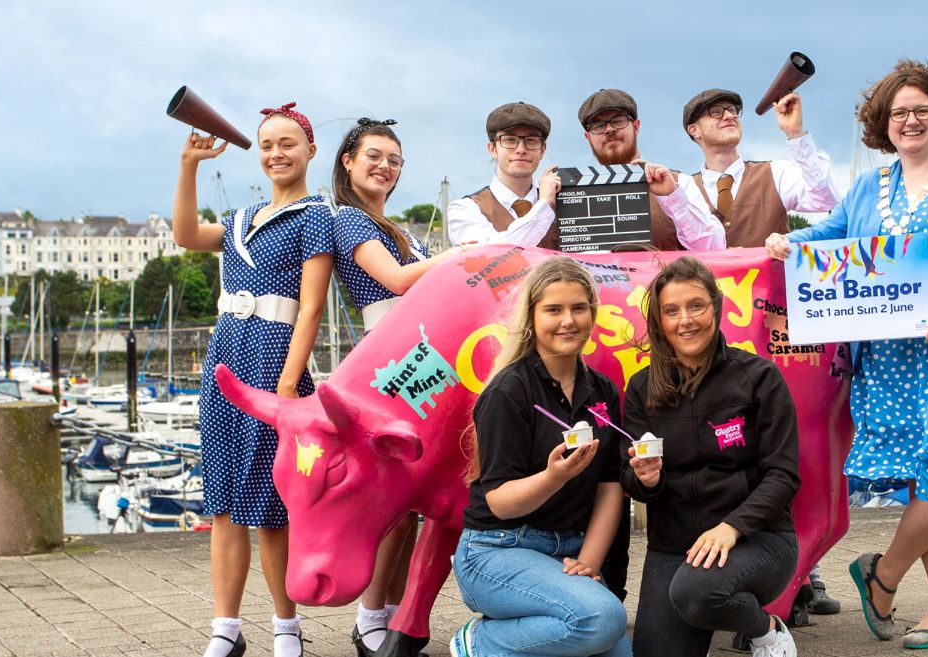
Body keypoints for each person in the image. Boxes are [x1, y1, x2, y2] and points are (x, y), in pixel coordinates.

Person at [766, 59, 928, 649]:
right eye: (899, 112)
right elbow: (833, 233)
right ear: (882, 122)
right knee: (923, 472)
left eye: (922, 110)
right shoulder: (868, 186)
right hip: (891, 348)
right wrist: (790, 240)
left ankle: (883, 575)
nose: (911, 120)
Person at [173, 103, 334, 657]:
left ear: (310, 150)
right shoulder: (242, 218)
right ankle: (225, 628)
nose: (276, 154)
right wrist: (190, 165)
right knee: (222, 503)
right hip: (226, 356)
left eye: (288, 143)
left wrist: (288, 389)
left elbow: (311, 309)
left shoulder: (318, 217)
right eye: (267, 145)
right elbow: (188, 234)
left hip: (274, 361)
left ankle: (286, 628)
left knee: (269, 508)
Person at [330, 117, 472, 656]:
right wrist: (461, 254)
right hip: (388, 356)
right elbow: (395, 280)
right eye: (374, 155)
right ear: (348, 161)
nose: (385, 166)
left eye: (394, 159)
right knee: (393, 494)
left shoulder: (396, 228)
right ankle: (371, 611)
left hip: (419, 355)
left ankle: (389, 610)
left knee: (412, 496)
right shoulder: (348, 220)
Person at [450, 257, 631, 657]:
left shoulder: (602, 391)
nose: (568, 321)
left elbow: (610, 486)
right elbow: (497, 500)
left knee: (607, 633)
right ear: (532, 317)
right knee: (602, 618)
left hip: (568, 551)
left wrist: (588, 564)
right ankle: (478, 643)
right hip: (498, 549)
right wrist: (554, 477)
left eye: (578, 308)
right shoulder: (509, 391)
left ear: (592, 314)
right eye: (554, 309)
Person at [622, 256, 800, 657]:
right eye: (672, 311)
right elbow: (629, 478)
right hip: (673, 547)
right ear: (659, 321)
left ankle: (766, 630)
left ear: (716, 309)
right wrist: (645, 480)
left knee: (697, 591)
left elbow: (783, 476)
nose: (685, 321)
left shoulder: (759, 377)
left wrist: (732, 527)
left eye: (696, 306)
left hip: (758, 539)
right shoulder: (641, 388)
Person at [680, 88, 838, 247]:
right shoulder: (683, 190)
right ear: (694, 130)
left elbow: (826, 200)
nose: (729, 116)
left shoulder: (777, 173)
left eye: (732, 111)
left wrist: (795, 132)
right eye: (715, 112)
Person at [578, 88, 725, 252]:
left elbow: (714, 248)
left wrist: (673, 197)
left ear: (636, 126)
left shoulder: (680, 182)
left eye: (618, 121)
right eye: (598, 125)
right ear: (588, 137)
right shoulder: (572, 195)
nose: (609, 129)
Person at [447, 102, 561, 248]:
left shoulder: (565, 206)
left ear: (542, 150)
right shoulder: (464, 209)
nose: (521, 149)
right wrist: (544, 205)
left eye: (531, 140)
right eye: (510, 140)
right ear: (493, 149)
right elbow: (496, 253)